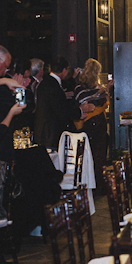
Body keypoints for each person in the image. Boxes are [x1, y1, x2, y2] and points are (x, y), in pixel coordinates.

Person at [35, 56, 94, 149]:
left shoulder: (45, 82)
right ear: (64, 70)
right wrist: (79, 110)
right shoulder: (54, 86)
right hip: (51, 134)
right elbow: (61, 111)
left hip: (43, 132)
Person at [74, 58, 113, 192]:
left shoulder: (78, 87)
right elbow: (104, 102)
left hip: (86, 123)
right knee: (99, 154)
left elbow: (80, 101)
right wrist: (106, 90)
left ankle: (87, 184)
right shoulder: (98, 88)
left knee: (87, 153)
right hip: (99, 122)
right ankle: (99, 186)